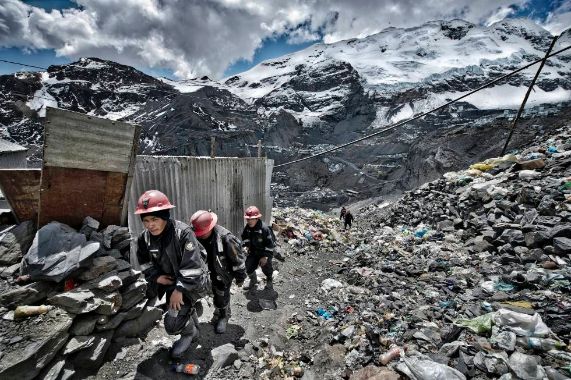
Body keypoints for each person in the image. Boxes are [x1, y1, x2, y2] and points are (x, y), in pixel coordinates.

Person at [135, 190, 209, 360]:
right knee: (172, 325)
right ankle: (192, 329)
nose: (150, 225)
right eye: (146, 220)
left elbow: (193, 266)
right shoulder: (144, 239)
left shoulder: (182, 233)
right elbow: (145, 263)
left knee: (172, 325)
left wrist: (179, 290)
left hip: (193, 283)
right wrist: (156, 277)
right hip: (171, 283)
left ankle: (189, 333)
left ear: (165, 217)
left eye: (155, 219)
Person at [190, 210, 246, 334]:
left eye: (201, 233)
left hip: (222, 274)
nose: (198, 235)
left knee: (221, 296)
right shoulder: (193, 235)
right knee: (209, 293)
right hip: (206, 272)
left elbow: (238, 261)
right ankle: (217, 310)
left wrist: (240, 278)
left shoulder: (226, 238)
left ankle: (223, 316)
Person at [241, 205, 276, 291]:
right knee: (248, 267)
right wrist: (247, 246)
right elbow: (244, 237)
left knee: (266, 267)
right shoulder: (248, 227)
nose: (249, 221)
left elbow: (270, 245)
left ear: (257, 218)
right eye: (247, 219)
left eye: (251, 219)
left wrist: (265, 257)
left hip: (264, 252)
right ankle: (253, 281)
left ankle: (269, 280)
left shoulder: (265, 229)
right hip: (253, 251)